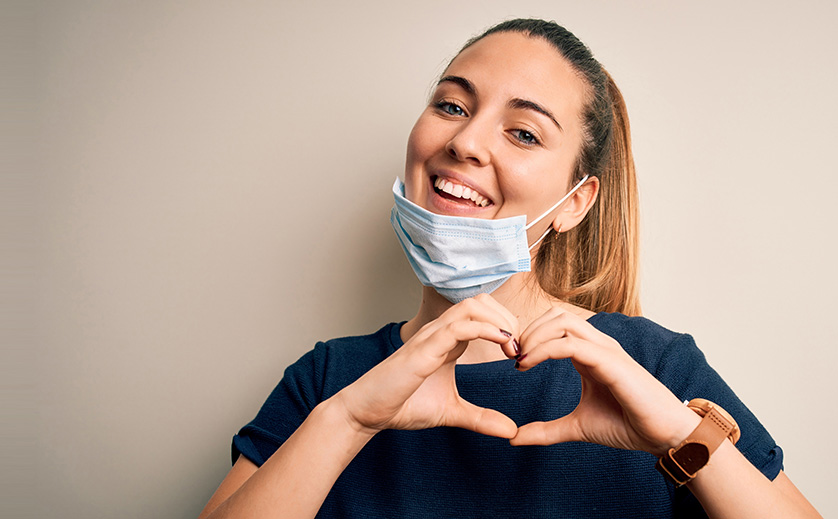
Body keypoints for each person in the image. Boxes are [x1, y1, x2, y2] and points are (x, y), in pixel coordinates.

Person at [198, 19, 821, 518]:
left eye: (522, 133)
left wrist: (680, 436)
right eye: (450, 105)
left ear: (575, 203)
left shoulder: (653, 367)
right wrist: (348, 418)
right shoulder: (329, 378)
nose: (466, 142)